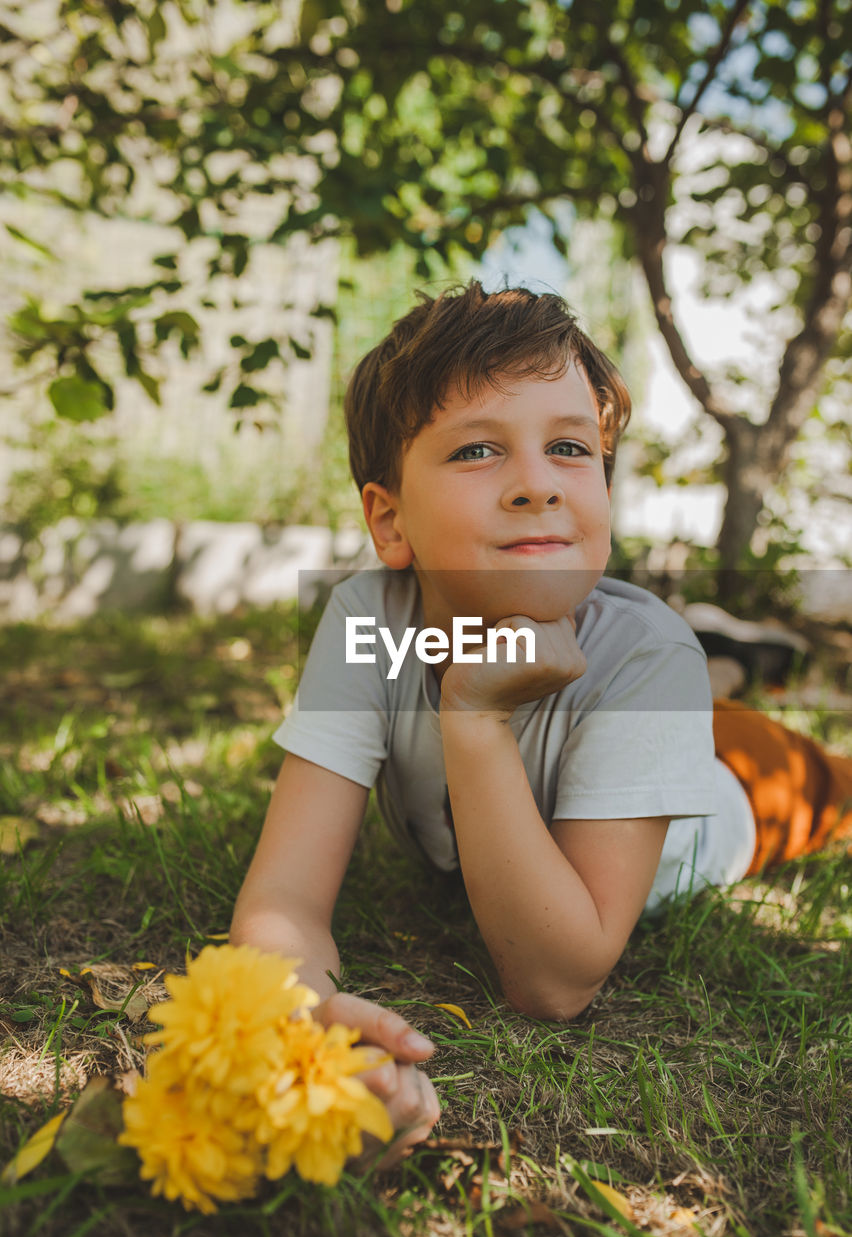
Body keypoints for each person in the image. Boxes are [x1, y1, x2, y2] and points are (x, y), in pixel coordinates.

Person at [230, 281, 852, 1163]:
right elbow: (285, 898)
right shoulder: (367, 618)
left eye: (570, 448)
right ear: (388, 519)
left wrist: (475, 716)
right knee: (688, 685)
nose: (535, 486)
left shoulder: (644, 656)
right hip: (653, 712)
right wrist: (299, 1021)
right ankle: (733, 657)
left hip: (745, 786)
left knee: (807, 760)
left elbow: (556, 982)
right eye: (479, 450)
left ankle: (733, 660)